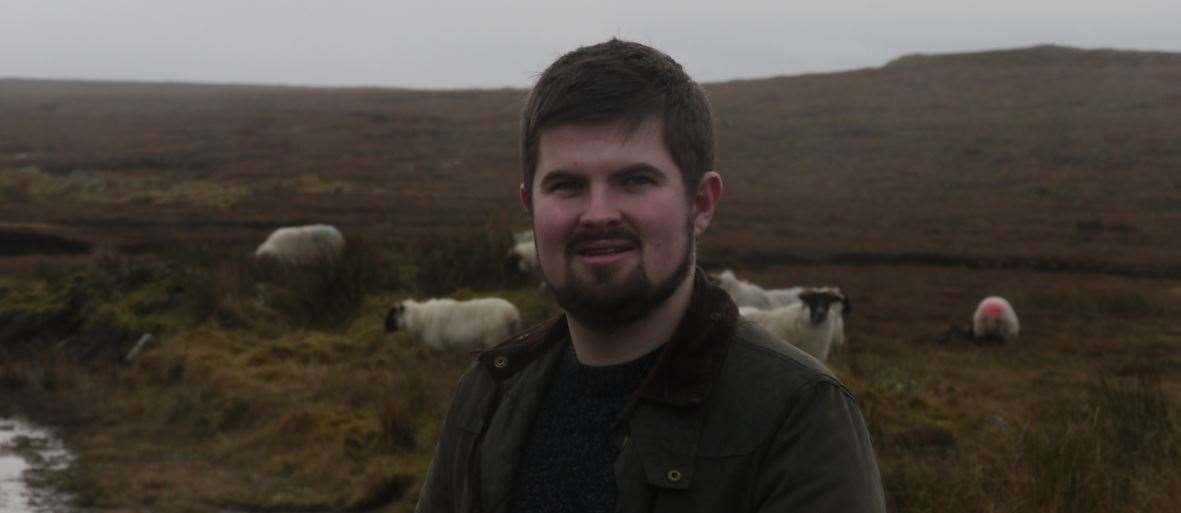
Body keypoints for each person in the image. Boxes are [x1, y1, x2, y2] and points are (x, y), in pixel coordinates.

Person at [414, 38, 886, 513]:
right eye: (567, 185)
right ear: (530, 207)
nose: (598, 214)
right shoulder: (487, 396)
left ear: (700, 203)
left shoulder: (799, 416)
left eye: (634, 180)